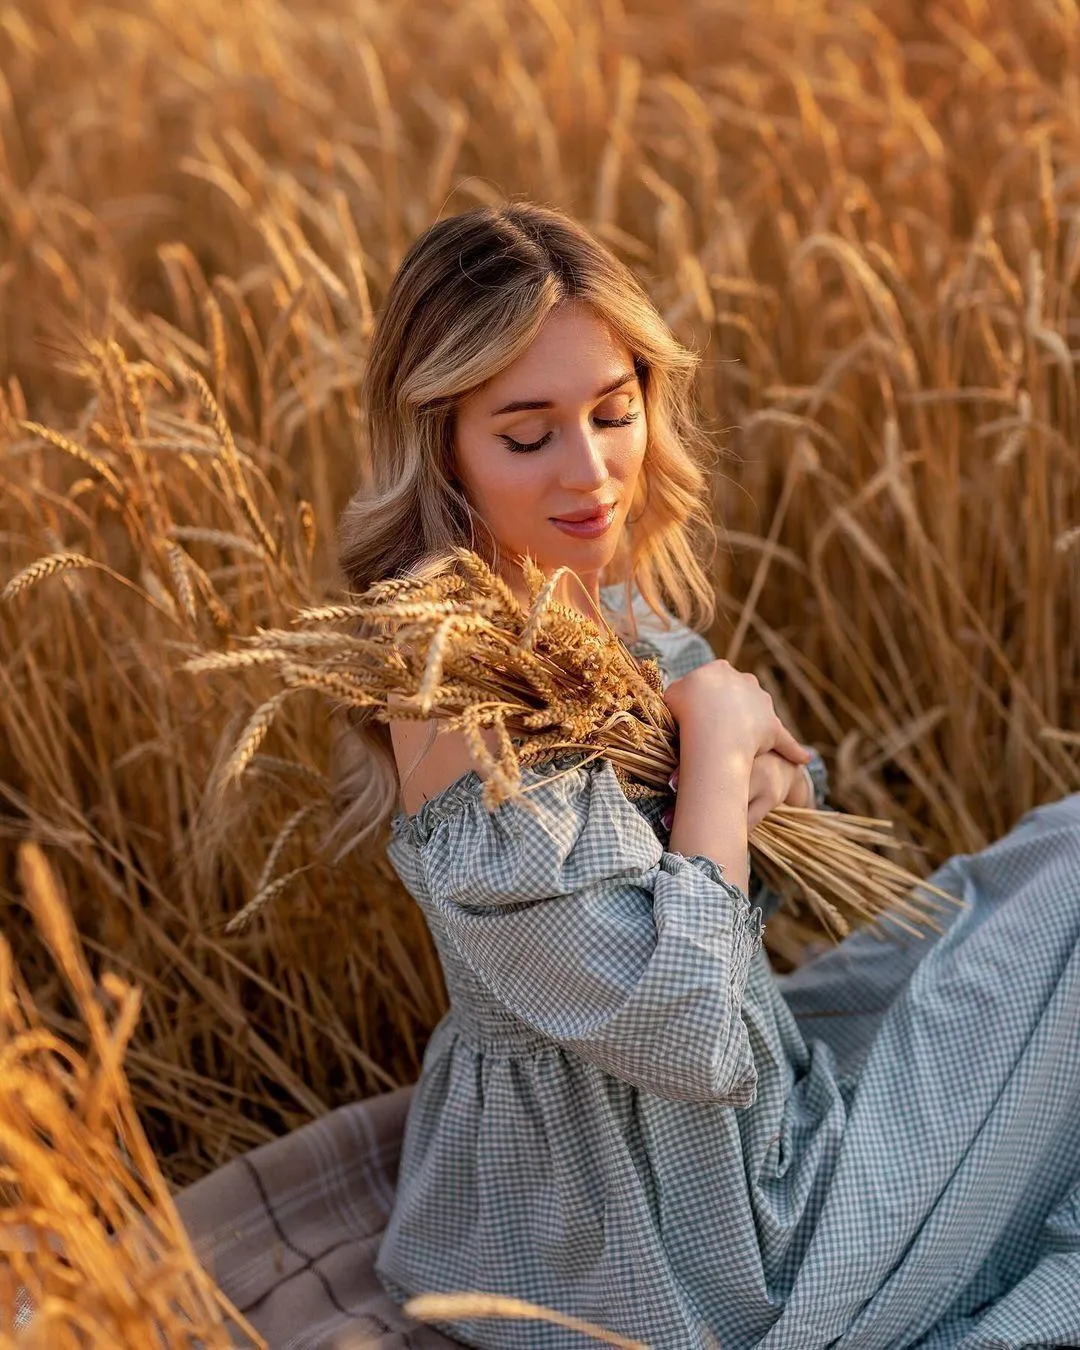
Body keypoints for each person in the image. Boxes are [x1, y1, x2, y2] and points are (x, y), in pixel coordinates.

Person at [178, 202, 1080, 1350]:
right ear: (440, 442)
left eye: (615, 412)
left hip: (731, 1110)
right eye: (528, 433)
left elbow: (788, 797)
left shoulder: (579, 584)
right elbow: (688, 1038)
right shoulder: (450, 698)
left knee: (1058, 854)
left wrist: (751, 770)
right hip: (662, 1235)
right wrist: (714, 738)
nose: (593, 470)